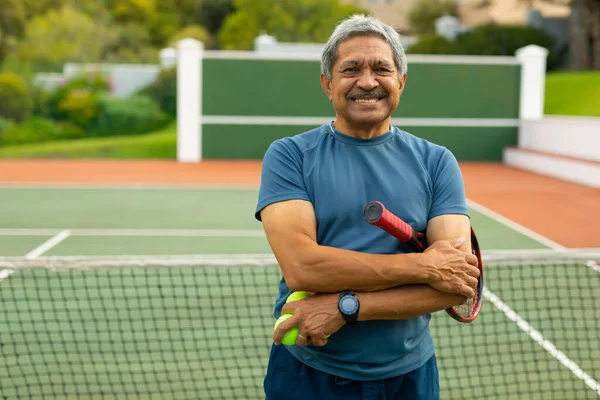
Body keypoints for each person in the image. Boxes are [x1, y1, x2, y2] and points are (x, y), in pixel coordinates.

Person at [254, 14, 480, 400]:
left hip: (411, 377)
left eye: (381, 68)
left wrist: (347, 307)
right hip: (308, 372)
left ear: (401, 82)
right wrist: (424, 267)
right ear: (328, 84)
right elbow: (303, 267)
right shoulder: (290, 155)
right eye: (351, 69)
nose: (367, 81)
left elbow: (455, 284)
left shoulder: (437, 161)